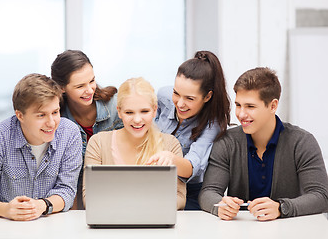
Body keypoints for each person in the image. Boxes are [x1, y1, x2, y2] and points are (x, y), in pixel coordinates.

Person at [199, 67, 328, 221]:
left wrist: (281, 208)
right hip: (240, 230)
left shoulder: (302, 142)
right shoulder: (227, 142)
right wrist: (220, 205)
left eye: (250, 106)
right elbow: (208, 192)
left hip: (290, 230)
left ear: (273, 106)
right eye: (238, 105)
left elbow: (321, 196)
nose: (241, 114)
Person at [0, 74, 83, 221]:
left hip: (51, 226)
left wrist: (41, 206)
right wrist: (6, 209)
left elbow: (67, 190)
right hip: (3, 226)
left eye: (55, 112)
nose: (51, 123)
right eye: (41, 115)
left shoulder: (70, 133)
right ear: (20, 116)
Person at [83, 77, 186, 209]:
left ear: (155, 110)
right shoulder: (98, 143)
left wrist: (135, 206)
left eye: (144, 111)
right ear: (119, 112)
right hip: (112, 225)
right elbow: (89, 198)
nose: (137, 119)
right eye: (129, 112)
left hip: (156, 225)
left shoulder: (171, 144)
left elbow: (180, 197)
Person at [151, 50, 230, 210]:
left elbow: (191, 166)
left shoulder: (213, 123)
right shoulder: (163, 96)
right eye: (176, 93)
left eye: (189, 98)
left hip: (190, 192)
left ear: (207, 97)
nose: (179, 103)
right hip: (153, 183)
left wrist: (170, 158)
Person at [51, 50, 123, 209]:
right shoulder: (56, 119)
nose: (90, 90)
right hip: (72, 196)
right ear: (62, 87)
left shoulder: (117, 109)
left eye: (92, 81)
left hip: (115, 191)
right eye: (80, 86)